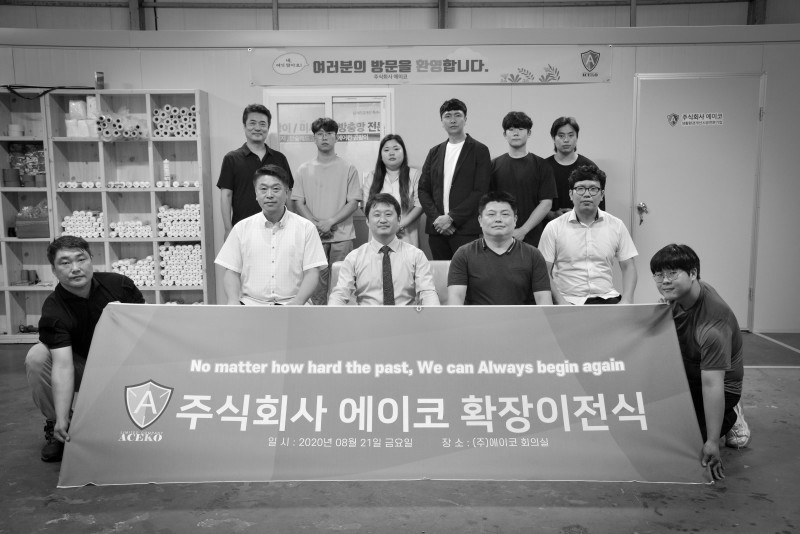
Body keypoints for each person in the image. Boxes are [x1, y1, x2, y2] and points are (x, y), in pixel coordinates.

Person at [25, 236, 145, 462]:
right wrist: (62, 417)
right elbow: (62, 365)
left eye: (81, 259)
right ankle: (60, 427)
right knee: (38, 357)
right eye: (65, 262)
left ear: (91, 259)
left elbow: (145, 330)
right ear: (54, 270)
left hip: (125, 363)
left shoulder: (120, 286)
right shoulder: (54, 308)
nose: (75, 268)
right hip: (83, 367)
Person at [650, 243, 750, 481]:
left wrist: (713, 442)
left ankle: (732, 415)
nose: (665, 281)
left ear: (693, 273)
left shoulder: (713, 325)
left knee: (688, 445)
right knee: (654, 424)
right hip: (691, 369)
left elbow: (712, 384)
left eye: (673, 273)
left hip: (722, 384)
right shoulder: (683, 295)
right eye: (659, 274)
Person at [215, 164, 327, 305]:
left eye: (276, 189)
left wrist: (298, 302)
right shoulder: (241, 228)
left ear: (287, 192)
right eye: (263, 189)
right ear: (256, 193)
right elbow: (231, 272)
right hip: (251, 304)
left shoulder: (306, 228)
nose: (269, 195)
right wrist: (233, 301)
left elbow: (312, 272)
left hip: (294, 304)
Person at [538, 164, 637, 305]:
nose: (586, 194)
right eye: (580, 189)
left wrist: (627, 299)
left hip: (606, 298)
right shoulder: (554, 227)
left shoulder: (616, 225)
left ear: (602, 195)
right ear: (571, 194)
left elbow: (628, 266)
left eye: (593, 189)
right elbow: (543, 271)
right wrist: (560, 301)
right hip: (567, 300)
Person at [292, 117, 362, 305]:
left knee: (343, 284)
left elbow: (353, 202)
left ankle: (340, 321)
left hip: (342, 236)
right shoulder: (303, 169)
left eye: (329, 133)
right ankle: (318, 320)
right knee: (315, 286)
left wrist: (330, 222)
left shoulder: (348, 168)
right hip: (313, 236)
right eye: (320, 134)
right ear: (314, 138)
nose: (324, 137)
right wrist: (316, 225)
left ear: (336, 137)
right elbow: (298, 202)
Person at [329, 193, 439, 306]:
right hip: (368, 316)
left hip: (406, 316)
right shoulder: (354, 257)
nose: (382, 220)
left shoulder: (416, 255)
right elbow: (340, 295)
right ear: (367, 221)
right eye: (377, 215)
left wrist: (434, 314)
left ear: (399, 219)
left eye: (388, 214)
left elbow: (428, 293)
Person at [447, 191, 552, 306]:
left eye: (505, 214)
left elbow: (544, 301)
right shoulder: (463, 254)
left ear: (515, 220)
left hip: (521, 317)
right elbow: (456, 300)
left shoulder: (533, 255)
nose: (498, 219)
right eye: (491, 214)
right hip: (478, 318)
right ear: (480, 220)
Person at [418, 98, 491, 260]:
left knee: (467, 272)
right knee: (441, 273)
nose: (452, 120)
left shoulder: (479, 150)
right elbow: (423, 189)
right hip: (438, 229)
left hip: (465, 229)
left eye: (457, 115)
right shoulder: (434, 152)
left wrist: (451, 218)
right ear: (442, 122)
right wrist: (438, 219)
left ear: (465, 119)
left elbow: (481, 190)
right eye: (447, 116)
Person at [217, 103, 294, 237]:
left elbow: (288, 193)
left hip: (278, 228)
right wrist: (228, 229)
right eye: (252, 123)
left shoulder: (279, 158)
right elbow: (226, 196)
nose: (257, 128)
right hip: (243, 229)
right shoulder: (232, 158)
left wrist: (291, 224)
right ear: (244, 126)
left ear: (268, 127)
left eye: (262, 124)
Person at [490, 111, 557, 247]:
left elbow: (546, 203)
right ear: (504, 134)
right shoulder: (493, 165)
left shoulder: (542, 165)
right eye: (511, 129)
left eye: (521, 129)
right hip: (500, 235)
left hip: (533, 236)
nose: (516, 133)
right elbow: (488, 203)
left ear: (529, 133)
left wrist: (523, 230)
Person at [362, 134, 424, 247]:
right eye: (386, 150)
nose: (391, 153)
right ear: (381, 156)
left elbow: (420, 205)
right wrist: (384, 227)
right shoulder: (372, 177)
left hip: (406, 235)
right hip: (378, 236)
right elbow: (367, 206)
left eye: (396, 149)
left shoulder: (414, 174)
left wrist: (399, 226)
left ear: (403, 153)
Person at [544, 116, 603, 221]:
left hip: (584, 225)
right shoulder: (543, 167)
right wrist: (551, 215)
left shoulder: (588, 167)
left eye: (571, 135)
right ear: (553, 138)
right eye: (561, 136)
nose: (566, 140)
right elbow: (533, 202)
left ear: (577, 137)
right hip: (549, 226)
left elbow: (599, 203)